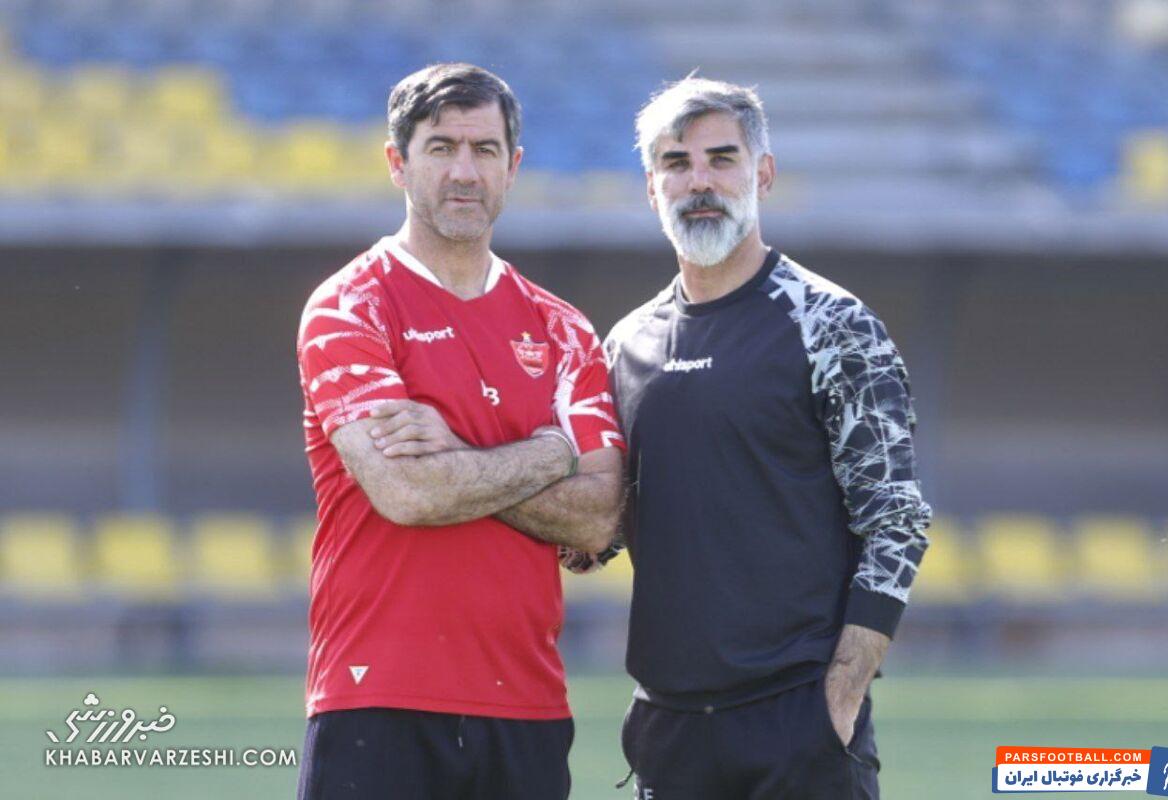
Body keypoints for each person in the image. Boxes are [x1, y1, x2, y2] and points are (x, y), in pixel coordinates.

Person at [294, 62, 625, 800]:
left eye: (484, 149)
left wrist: (457, 458)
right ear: (397, 162)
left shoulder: (564, 330)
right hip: (376, 694)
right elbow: (407, 493)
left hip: (529, 705)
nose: (464, 171)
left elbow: (599, 517)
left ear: (514, 167)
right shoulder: (349, 307)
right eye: (441, 148)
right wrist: (552, 453)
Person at [605, 76, 933, 799]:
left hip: (800, 718)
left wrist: (840, 697)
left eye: (722, 159)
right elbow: (601, 530)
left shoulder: (833, 325)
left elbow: (897, 523)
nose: (699, 181)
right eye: (676, 163)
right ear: (651, 188)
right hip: (668, 727)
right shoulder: (626, 345)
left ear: (763, 173)